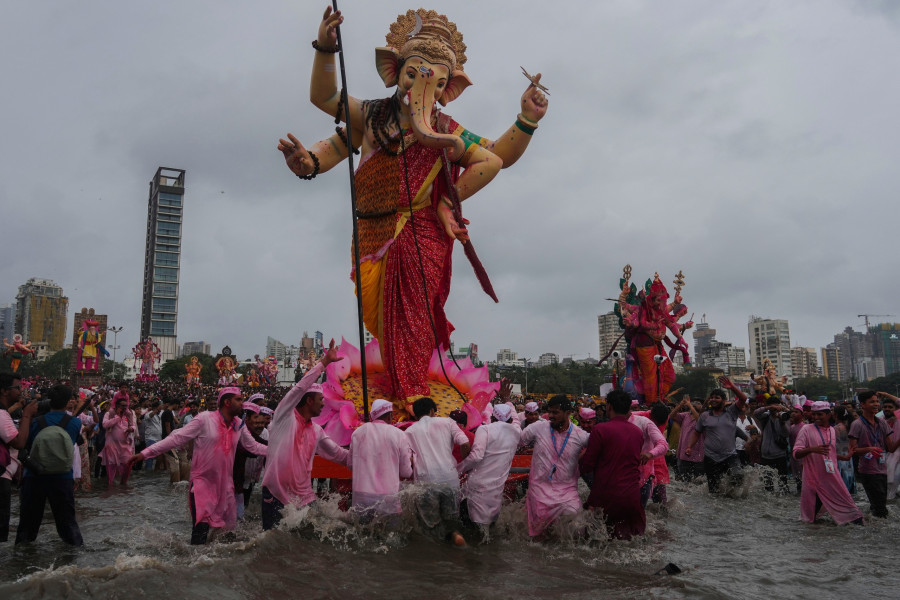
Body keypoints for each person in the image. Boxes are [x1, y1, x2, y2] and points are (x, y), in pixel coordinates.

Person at [127, 387, 268, 544]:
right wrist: (145, 453)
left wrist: (279, 451)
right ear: (227, 402)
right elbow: (176, 438)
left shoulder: (238, 424)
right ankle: (192, 564)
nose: (243, 403)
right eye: (239, 399)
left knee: (228, 533)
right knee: (200, 533)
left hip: (226, 487)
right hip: (202, 486)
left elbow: (254, 447)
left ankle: (214, 564)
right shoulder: (204, 419)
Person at [260, 345, 348, 530]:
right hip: (276, 495)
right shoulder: (284, 417)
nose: (324, 404)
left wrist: (368, 456)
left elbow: (339, 455)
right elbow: (299, 388)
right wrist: (324, 363)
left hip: (304, 499)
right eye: (320, 400)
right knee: (271, 546)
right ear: (309, 400)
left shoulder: (316, 431)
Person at [15, 384, 84, 546]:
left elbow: (27, 444)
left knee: (27, 526)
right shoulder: (75, 423)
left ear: (48, 400)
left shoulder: (36, 422)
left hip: (34, 476)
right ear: (68, 401)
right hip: (63, 477)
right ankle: (74, 557)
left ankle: (21, 560)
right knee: (68, 523)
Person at [520, 395, 590, 538]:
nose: (550, 416)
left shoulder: (580, 435)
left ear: (568, 412)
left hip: (567, 492)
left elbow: (599, 447)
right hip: (539, 490)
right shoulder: (537, 428)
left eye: (555, 412)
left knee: (578, 528)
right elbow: (517, 440)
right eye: (550, 412)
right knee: (538, 539)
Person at [406, 397, 472, 546]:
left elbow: (407, 459)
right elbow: (465, 443)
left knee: (430, 525)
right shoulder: (448, 422)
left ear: (415, 415)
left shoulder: (410, 431)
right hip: (450, 479)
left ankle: (437, 556)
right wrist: (465, 463)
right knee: (451, 519)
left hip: (426, 481)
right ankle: (455, 536)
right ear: (432, 411)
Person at [580, 389, 645, 540]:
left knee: (597, 542)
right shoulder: (637, 432)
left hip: (606, 497)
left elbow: (587, 466)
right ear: (628, 408)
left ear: (608, 406)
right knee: (631, 541)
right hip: (633, 496)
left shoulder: (600, 429)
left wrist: (579, 460)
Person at [793, 401, 863, 525]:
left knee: (850, 508)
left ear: (828, 414)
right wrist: (812, 449)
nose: (816, 417)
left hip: (832, 478)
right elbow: (796, 453)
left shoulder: (832, 430)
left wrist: (844, 457)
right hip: (813, 480)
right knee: (809, 518)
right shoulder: (806, 429)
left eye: (819, 414)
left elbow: (829, 454)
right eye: (814, 414)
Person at [457, 403, 522, 529]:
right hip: (496, 488)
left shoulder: (485, 429)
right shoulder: (516, 432)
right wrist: (508, 401)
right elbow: (517, 421)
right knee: (488, 526)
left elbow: (476, 457)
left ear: (492, 419)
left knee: (469, 524)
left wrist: (458, 469)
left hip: (478, 484)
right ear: (510, 420)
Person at [348, 398, 413, 520]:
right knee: (389, 535)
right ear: (389, 416)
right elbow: (406, 472)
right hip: (388, 498)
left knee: (363, 535)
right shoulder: (398, 434)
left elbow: (351, 464)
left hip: (361, 496)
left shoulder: (358, 433)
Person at [684, 377, 747, 494]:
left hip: (730, 455)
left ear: (723, 401)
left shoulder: (731, 412)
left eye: (717, 398)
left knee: (738, 476)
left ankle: (732, 498)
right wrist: (689, 447)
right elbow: (697, 432)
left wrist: (732, 387)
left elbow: (743, 398)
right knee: (714, 490)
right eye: (712, 398)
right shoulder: (705, 416)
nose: (713, 399)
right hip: (711, 457)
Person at [848, 390, 900, 518]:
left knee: (878, 505)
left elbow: (891, 448)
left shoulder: (882, 423)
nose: (876, 404)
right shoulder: (857, 424)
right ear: (863, 405)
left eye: (877, 401)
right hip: (868, 470)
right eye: (872, 402)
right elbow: (852, 450)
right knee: (881, 508)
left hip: (883, 469)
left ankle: (871, 524)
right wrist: (868, 449)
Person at [1, 373, 30, 542]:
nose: (21, 391)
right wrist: (26, 415)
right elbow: (19, 442)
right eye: (17, 388)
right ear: (4, 391)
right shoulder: (1, 414)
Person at [628, 402, 669, 506]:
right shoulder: (637, 417)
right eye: (656, 423)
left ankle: (661, 516)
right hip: (639, 458)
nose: (658, 426)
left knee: (660, 495)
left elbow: (663, 444)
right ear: (651, 416)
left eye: (660, 424)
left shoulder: (663, 416)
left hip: (656, 455)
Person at [753, 397, 791, 493]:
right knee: (767, 484)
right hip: (766, 455)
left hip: (780, 455)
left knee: (783, 484)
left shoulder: (784, 416)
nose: (775, 408)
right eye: (773, 406)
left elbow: (786, 433)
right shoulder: (765, 416)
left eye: (776, 405)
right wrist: (768, 408)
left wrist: (782, 422)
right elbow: (755, 413)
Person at [99, 393, 136, 486]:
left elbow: (133, 425)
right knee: (111, 468)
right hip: (111, 446)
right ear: (117, 406)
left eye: (126, 406)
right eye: (122, 406)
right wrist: (117, 417)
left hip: (125, 446)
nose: (124, 408)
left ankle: (123, 486)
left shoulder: (128, 415)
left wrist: (131, 429)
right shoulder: (109, 414)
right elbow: (105, 425)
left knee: (127, 466)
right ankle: (111, 487)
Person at [669, 395, 704, 480]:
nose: (694, 404)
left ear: (703, 406)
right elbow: (671, 416)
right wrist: (680, 405)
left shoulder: (705, 416)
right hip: (683, 453)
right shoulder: (685, 415)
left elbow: (699, 420)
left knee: (698, 480)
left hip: (698, 454)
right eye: (693, 403)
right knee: (684, 480)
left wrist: (690, 406)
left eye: (698, 403)